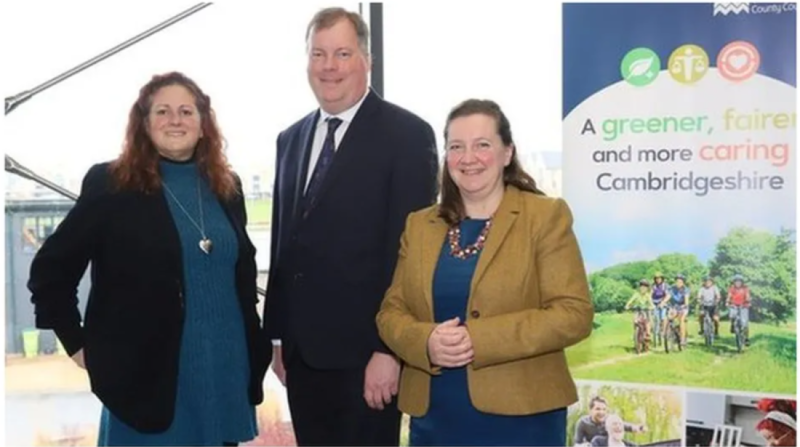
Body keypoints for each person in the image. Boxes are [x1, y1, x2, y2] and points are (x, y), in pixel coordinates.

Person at [27, 72, 269, 446]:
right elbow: (51, 271)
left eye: (187, 111)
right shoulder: (111, 184)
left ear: (204, 125)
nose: (176, 120)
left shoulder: (227, 188)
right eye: (163, 111)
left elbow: (239, 277)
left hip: (224, 370)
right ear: (144, 123)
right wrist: (76, 342)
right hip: (146, 381)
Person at [262, 7, 438, 447]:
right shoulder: (291, 139)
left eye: (342, 53)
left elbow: (411, 255)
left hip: (368, 358)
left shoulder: (408, 135)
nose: (329, 66)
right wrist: (279, 340)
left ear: (367, 61)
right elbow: (286, 243)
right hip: (301, 360)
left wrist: (389, 350)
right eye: (318, 54)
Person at [376, 98, 594, 446]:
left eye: (482, 145)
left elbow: (574, 314)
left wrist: (478, 339)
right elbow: (391, 313)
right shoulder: (420, 225)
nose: (468, 158)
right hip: (435, 421)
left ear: (507, 152)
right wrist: (426, 342)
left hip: (524, 421)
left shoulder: (544, 216)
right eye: (456, 147)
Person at [574, 396, 646, 446]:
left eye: (604, 409)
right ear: (590, 410)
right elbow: (577, 443)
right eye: (598, 409)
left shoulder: (609, 420)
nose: (601, 412)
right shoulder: (583, 423)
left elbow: (623, 425)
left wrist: (638, 428)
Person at [624, 279, 654, 351]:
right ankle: (636, 336)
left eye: (645, 287)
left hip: (646, 311)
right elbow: (630, 301)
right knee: (635, 320)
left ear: (647, 289)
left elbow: (651, 303)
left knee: (647, 321)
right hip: (638, 310)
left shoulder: (647, 295)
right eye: (642, 287)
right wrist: (627, 305)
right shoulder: (636, 294)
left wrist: (651, 307)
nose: (643, 288)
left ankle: (647, 335)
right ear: (639, 287)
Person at [662, 273, 690, 347]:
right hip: (674, 307)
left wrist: (685, 305)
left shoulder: (685, 289)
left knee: (681, 320)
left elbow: (686, 300)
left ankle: (683, 339)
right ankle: (666, 333)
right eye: (677, 281)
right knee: (668, 317)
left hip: (683, 307)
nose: (678, 283)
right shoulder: (672, 288)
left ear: (683, 282)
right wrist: (663, 302)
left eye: (680, 281)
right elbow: (668, 296)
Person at [726, 273, 751, 346]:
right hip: (734, 305)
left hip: (743, 306)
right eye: (736, 281)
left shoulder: (745, 288)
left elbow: (747, 296)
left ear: (742, 282)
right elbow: (729, 296)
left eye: (739, 281)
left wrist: (748, 301)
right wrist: (727, 301)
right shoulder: (732, 288)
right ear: (734, 282)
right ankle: (733, 325)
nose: (737, 283)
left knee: (745, 323)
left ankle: (746, 338)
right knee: (732, 315)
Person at [650, 272, 670, 347]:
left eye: (659, 278)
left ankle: (664, 331)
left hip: (663, 302)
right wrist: (650, 303)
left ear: (662, 279)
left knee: (663, 317)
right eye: (656, 278)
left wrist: (663, 302)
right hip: (655, 303)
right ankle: (655, 331)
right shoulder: (653, 286)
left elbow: (668, 295)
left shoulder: (665, 286)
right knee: (655, 317)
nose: (658, 280)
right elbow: (650, 295)